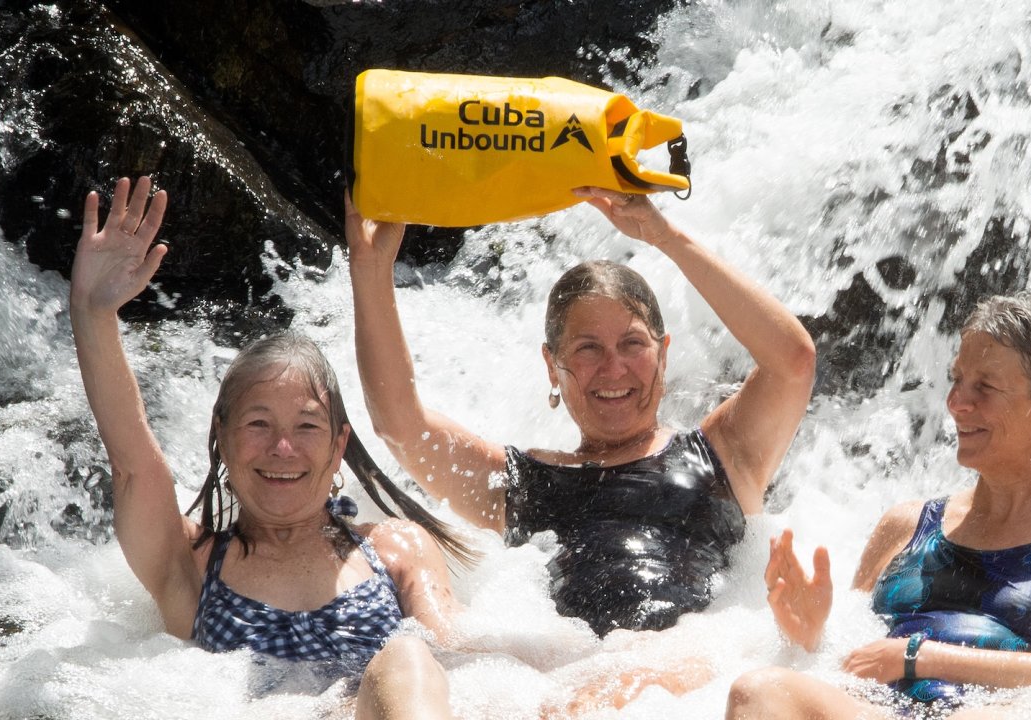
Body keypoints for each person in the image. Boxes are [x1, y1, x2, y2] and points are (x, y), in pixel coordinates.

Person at [346, 187, 816, 706]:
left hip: (700, 686)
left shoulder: (724, 454)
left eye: (632, 344)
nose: (613, 368)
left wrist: (666, 237)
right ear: (552, 365)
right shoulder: (518, 483)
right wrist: (370, 270)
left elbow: (791, 360)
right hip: (564, 687)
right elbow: (400, 423)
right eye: (588, 348)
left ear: (664, 352)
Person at [71, 176, 470, 719]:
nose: (283, 448)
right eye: (259, 424)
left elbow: (468, 670)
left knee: (411, 659)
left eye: (306, 427)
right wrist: (94, 314)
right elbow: (134, 468)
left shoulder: (399, 551)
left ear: (338, 447)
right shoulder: (189, 563)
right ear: (222, 438)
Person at [728, 293, 1031, 719]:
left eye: (985, 387)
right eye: (957, 380)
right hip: (878, 711)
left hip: (1000, 712)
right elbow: (852, 663)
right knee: (760, 691)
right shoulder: (905, 525)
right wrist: (809, 636)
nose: (957, 403)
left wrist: (919, 656)